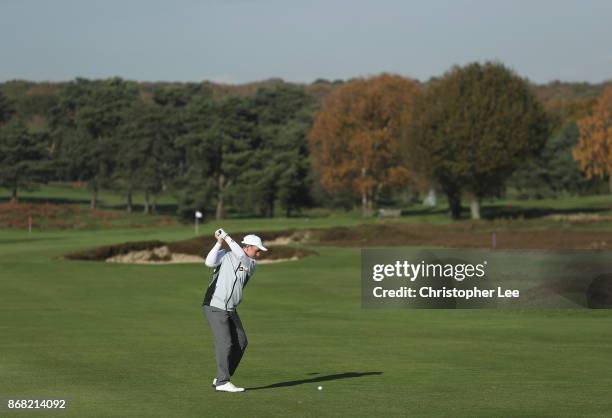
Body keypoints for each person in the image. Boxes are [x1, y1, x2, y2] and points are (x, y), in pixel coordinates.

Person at [202, 228, 267, 393]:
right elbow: (209, 262)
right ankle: (223, 381)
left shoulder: (250, 264)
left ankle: (221, 376)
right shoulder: (225, 255)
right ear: (249, 246)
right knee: (225, 342)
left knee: (241, 341)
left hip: (230, 309)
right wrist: (219, 242)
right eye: (258, 250)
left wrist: (226, 237)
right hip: (215, 305)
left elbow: (240, 256)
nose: (259, 254)